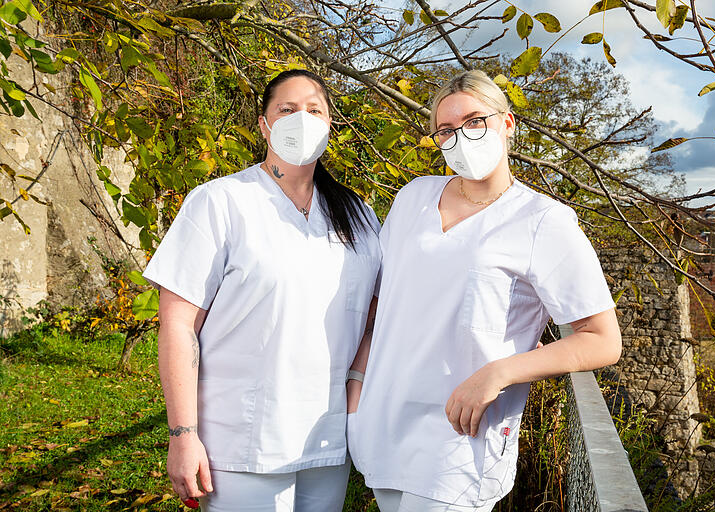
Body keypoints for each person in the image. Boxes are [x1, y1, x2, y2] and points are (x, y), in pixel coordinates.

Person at [345, 69, 622, 512]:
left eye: (475, 121)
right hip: (382, 426)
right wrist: (356, 392)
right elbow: (380, 303)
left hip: (459, 440)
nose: (462, 138)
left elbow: (602, 340)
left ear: (507, 123)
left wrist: (498, 374)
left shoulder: (543, 221)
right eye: (446, 131)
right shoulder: (413, 197)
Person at [143, 69, 381, 511]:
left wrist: (356, 389)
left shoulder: (358, 215)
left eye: (314, 110)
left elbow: (375, 313)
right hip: (241, 442)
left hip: (327, 438)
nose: (301, 119)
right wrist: (182, 434)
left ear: (330, 125)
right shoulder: (220, 202)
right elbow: (178, 325)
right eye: (286, 110)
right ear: (263, 124)